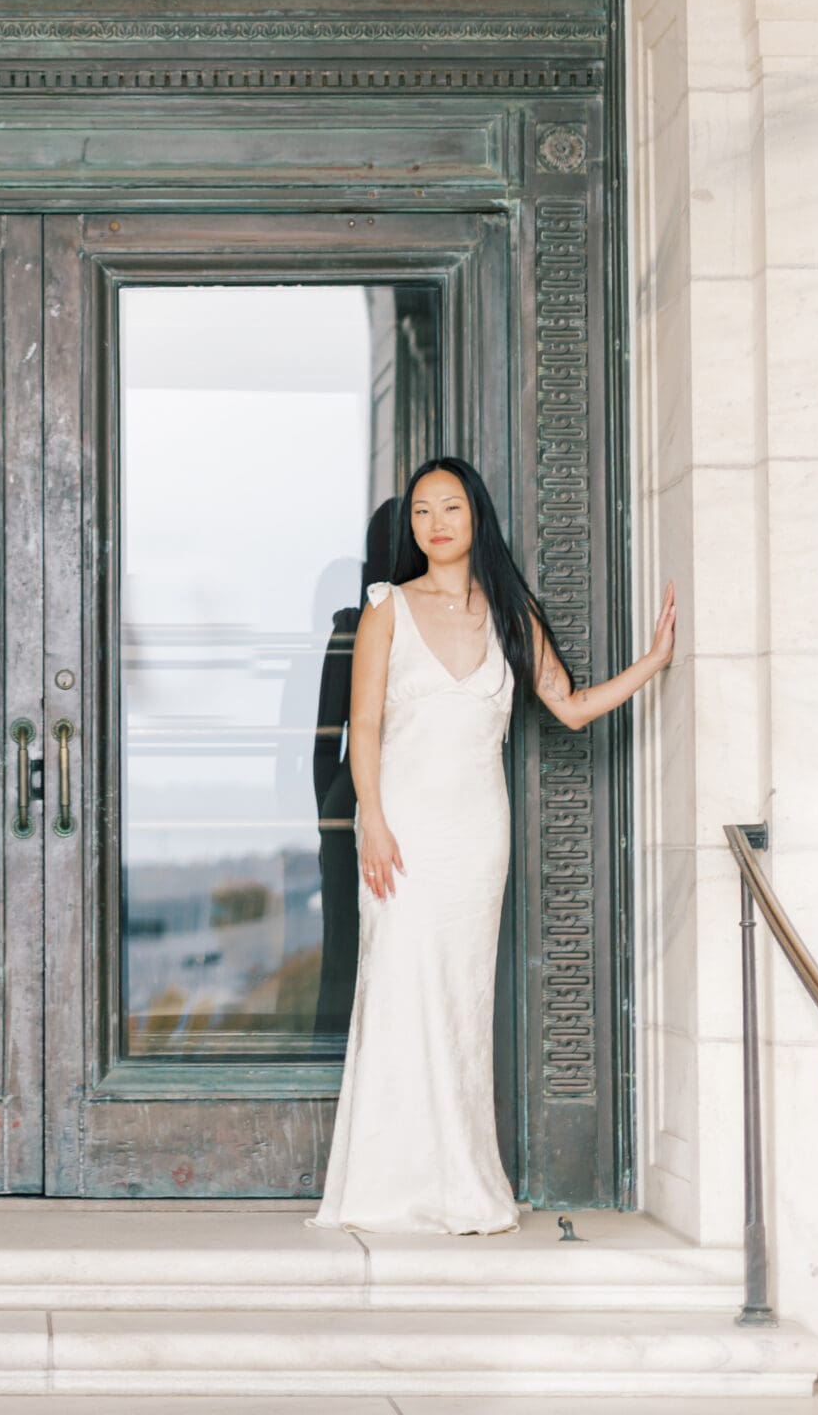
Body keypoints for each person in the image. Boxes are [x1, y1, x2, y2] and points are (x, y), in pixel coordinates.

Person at [311, 457, 674, 1235]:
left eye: (450, 507)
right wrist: (372, 820)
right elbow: (363, 726)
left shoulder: (511, 610)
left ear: (475, 515)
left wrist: (653, 664)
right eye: (421, 512)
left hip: (476, 836)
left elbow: (569, 706)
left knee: (461, 1000)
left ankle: (462, 1182)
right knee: (400, 986)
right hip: (402, 831)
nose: (435, 523)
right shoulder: (386, 609)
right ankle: (383, 1185)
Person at [311, 500, 395, 1043]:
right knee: (347, 944)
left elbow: (324, 747)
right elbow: (328, 740)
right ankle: (333, 1059)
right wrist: (332, 822)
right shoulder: (356, 624)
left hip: (374, 803)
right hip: (354, 808)